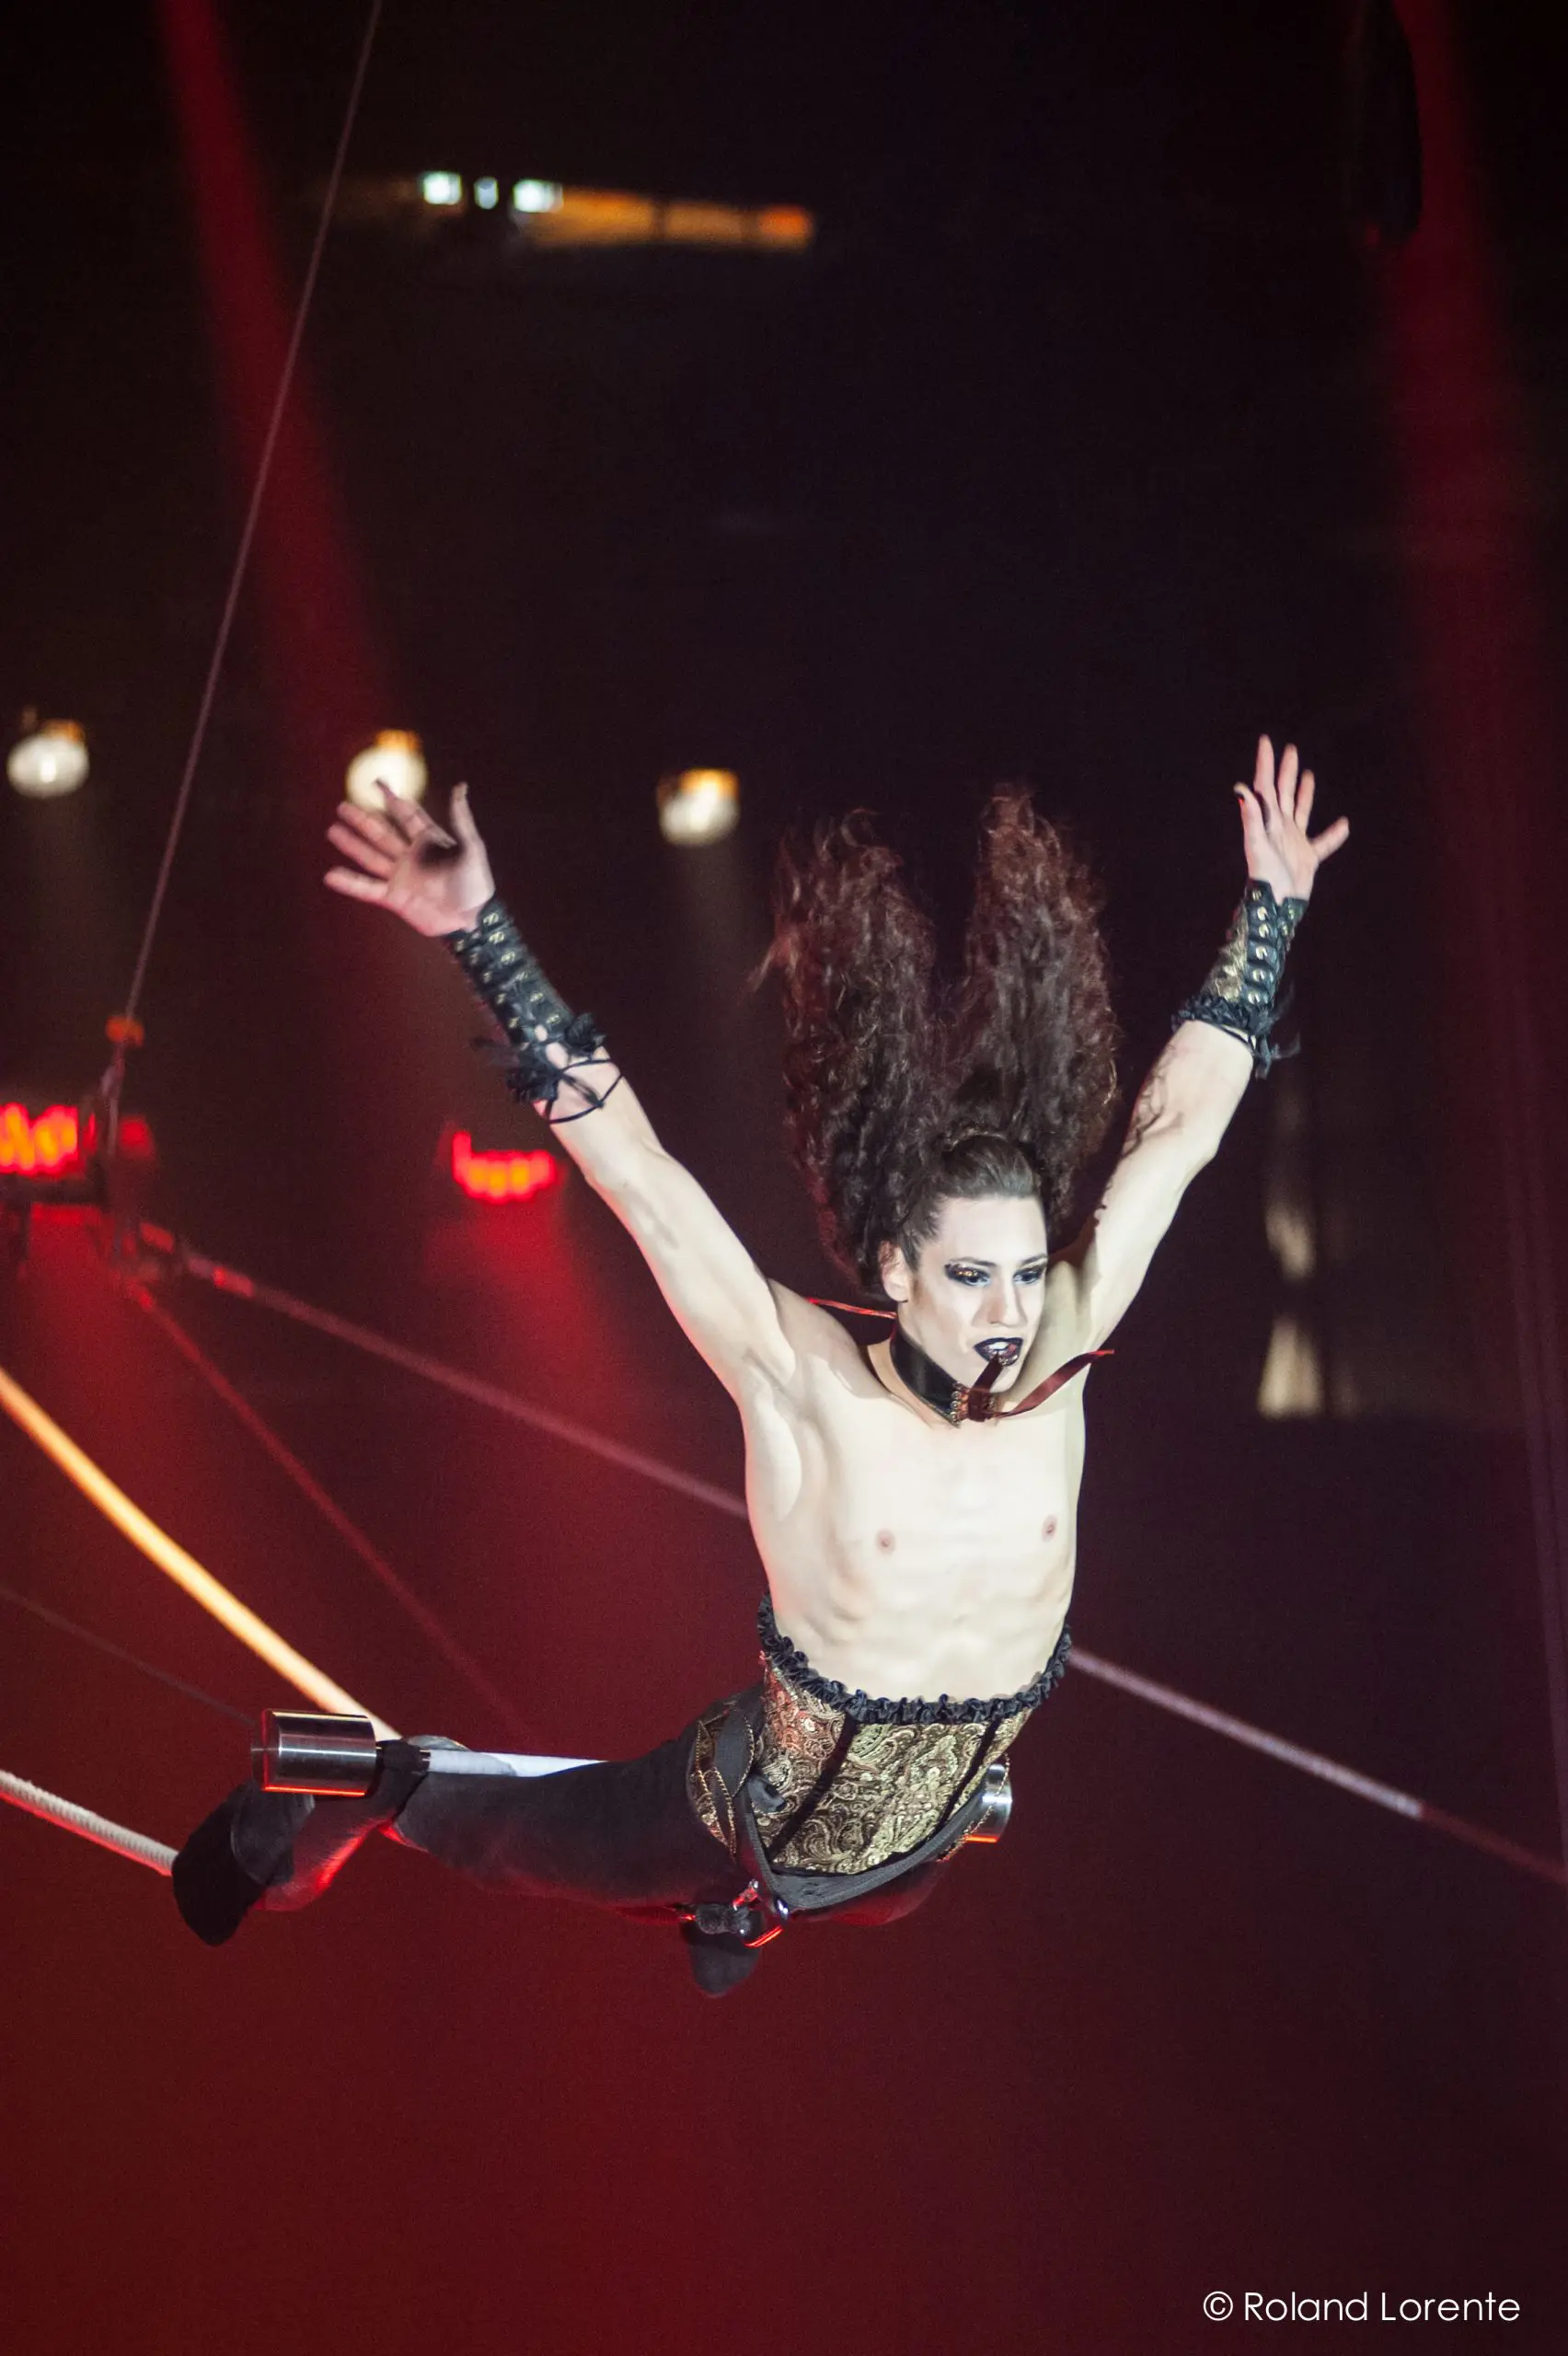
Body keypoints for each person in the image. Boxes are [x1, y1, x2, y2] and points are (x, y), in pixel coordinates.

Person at [173, 739, 1347, 1992]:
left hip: (930, 1848)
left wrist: (1272, 909)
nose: (1011, 1313)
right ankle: (361, 1793)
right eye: (971, 1278)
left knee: (831, 1890)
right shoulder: (805, 1380)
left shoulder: (1066, 1341)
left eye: (1024, 1273)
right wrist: (481, 933)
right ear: (895, 1270)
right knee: (514, 1836)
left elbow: (1176, 1132)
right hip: (739, 1818)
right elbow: (639, 1176)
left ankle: (738, 1908)